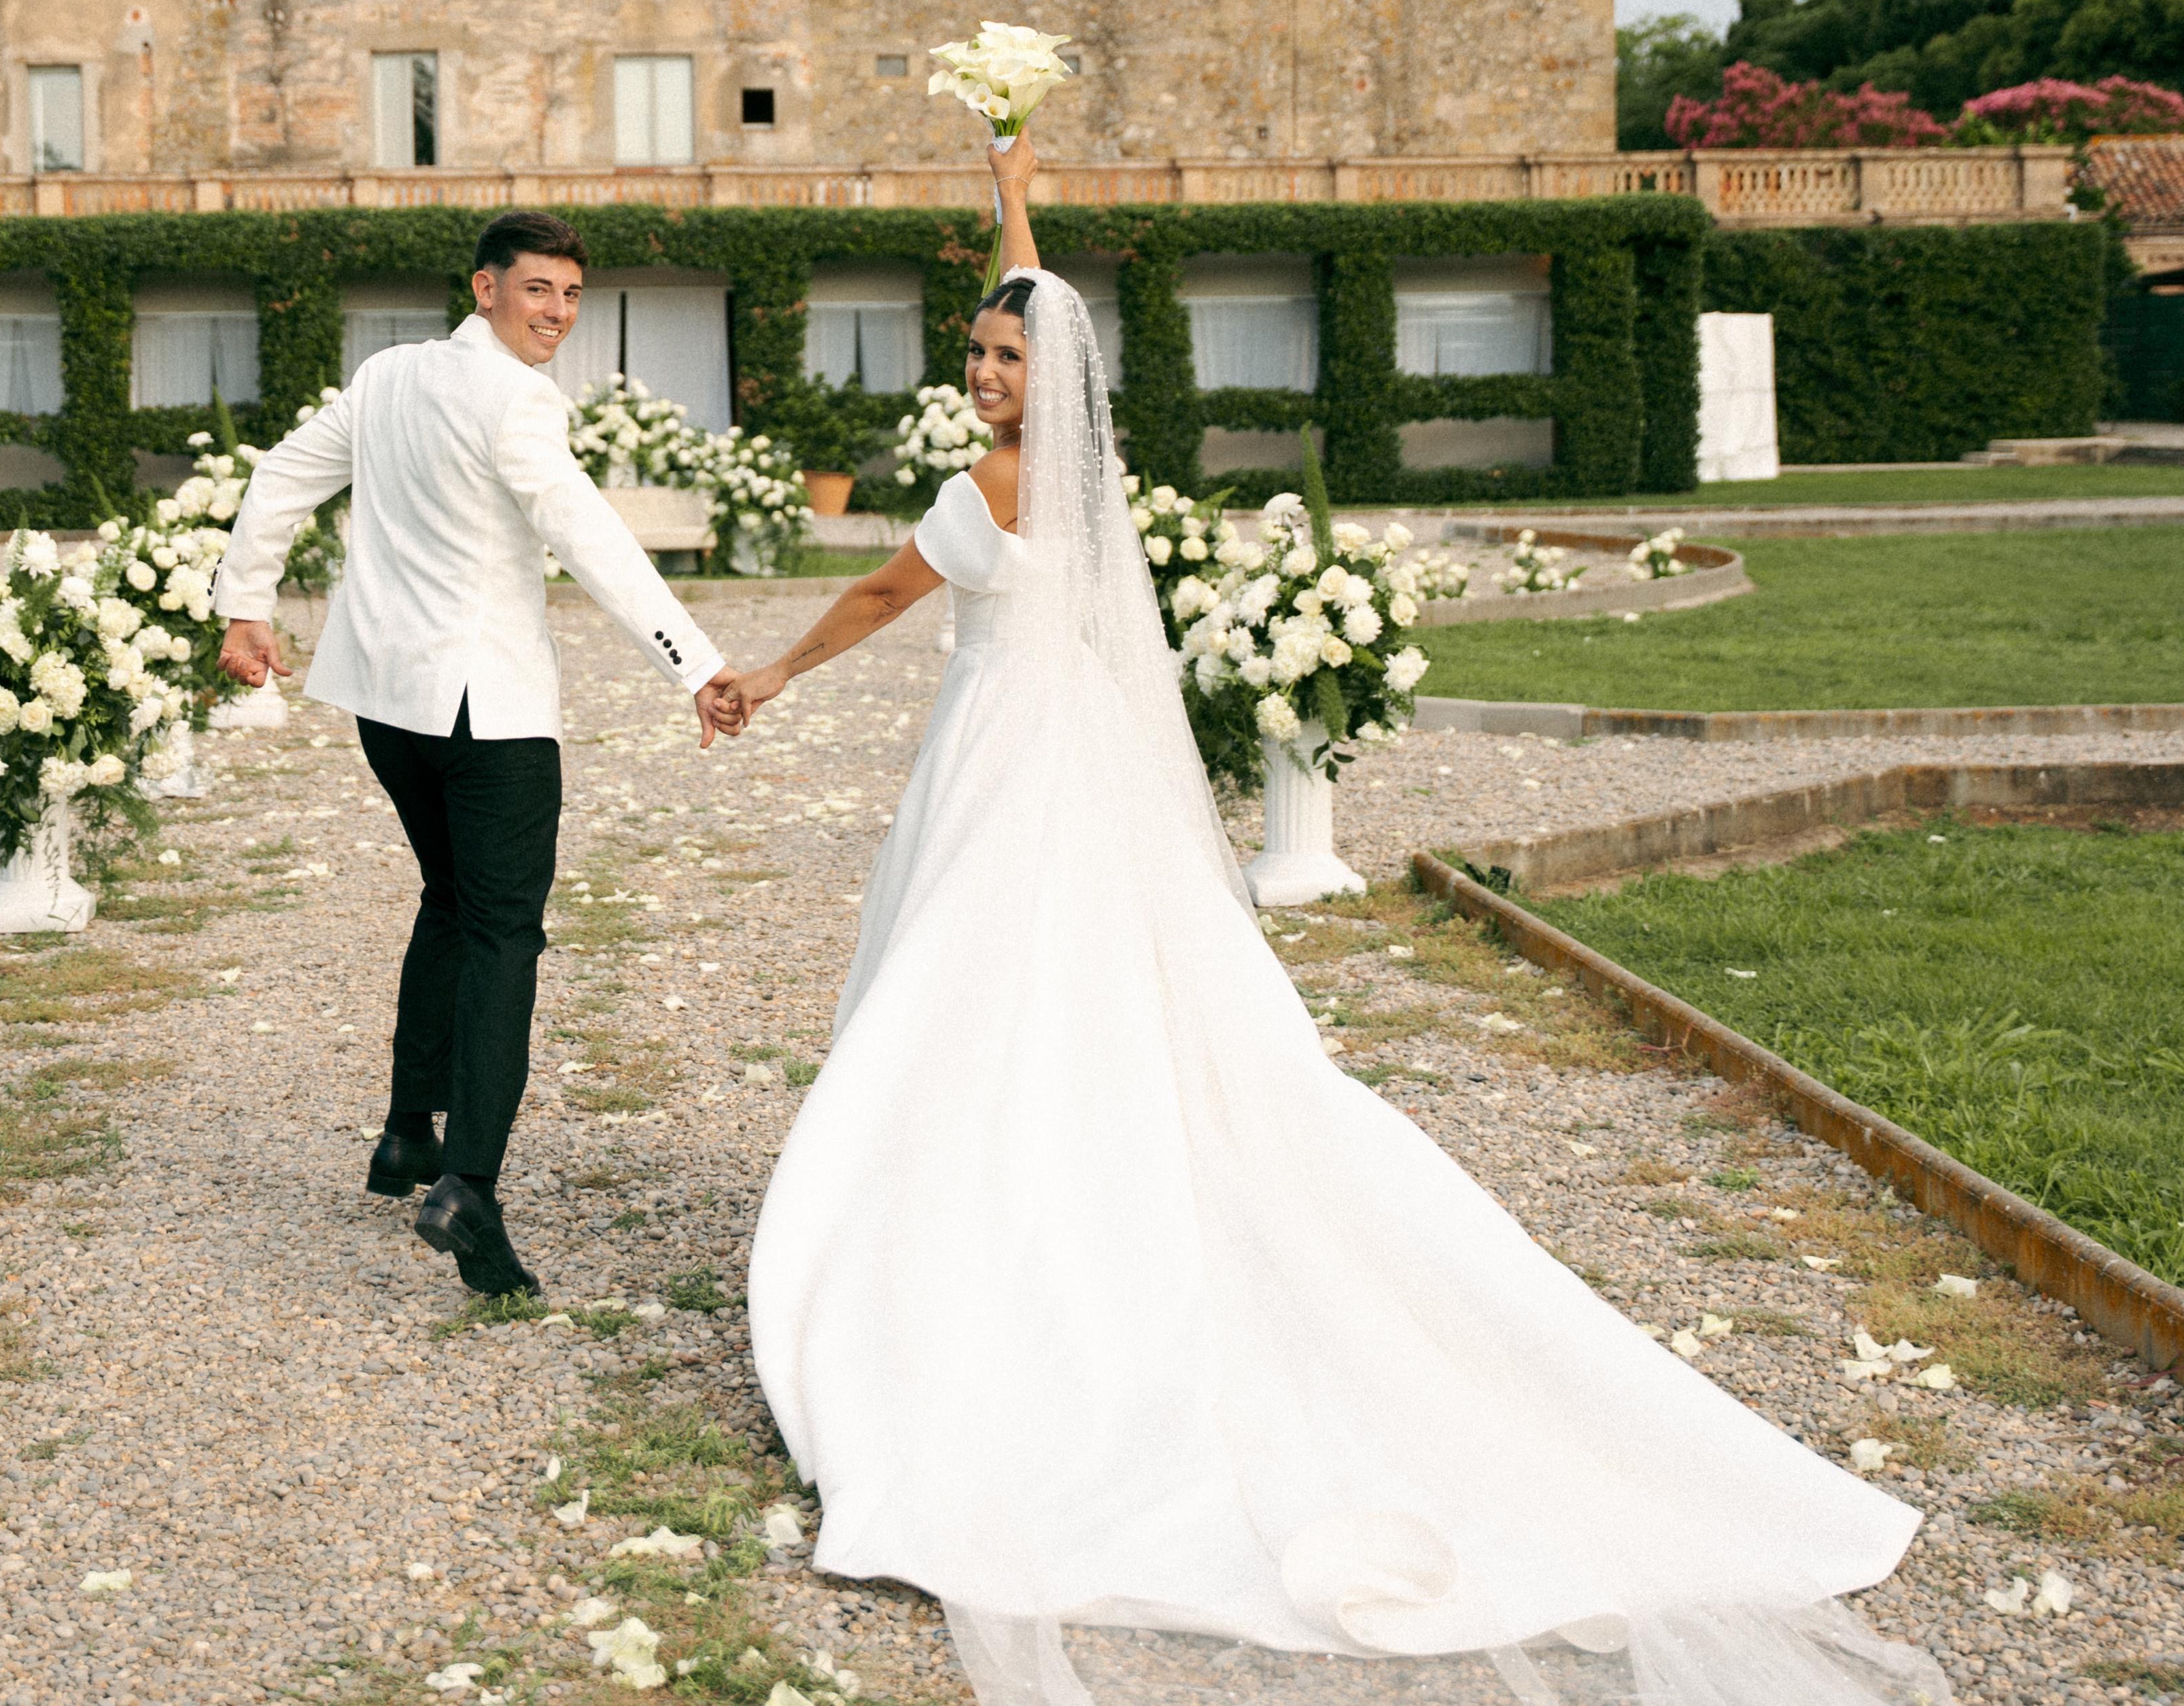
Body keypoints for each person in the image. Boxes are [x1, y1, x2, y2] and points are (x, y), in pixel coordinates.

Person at [714, 135, 1951, 1706]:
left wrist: (759, 674)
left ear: (1052, 375)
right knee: (1088, 991)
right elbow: (1042, 298)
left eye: (1005, 352)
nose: (982, 366)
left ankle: (966, 1224)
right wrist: (1010, 191)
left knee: (972, 984)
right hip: (1068, 747)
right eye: (975, 348)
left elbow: (885, 599)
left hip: (1003, 758)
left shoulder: (992, 483)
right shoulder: (1081, 470)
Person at [213, 210, 749, 1300]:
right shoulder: (517, 400)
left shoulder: (391, 375)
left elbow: (277, 476)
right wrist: (693, 661)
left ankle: (410, 1131)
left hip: (386, 708)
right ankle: (471, 1187)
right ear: (486, 288)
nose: (555, 313)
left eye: (571, 296)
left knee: (450, 901)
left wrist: (246, 607)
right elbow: (589, 532)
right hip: (483, 716)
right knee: (505, 933)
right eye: (538, 290)